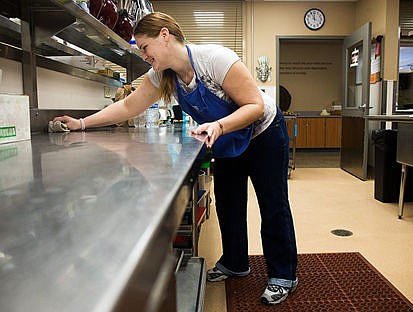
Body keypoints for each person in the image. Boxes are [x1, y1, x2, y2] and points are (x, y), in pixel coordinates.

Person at [54, 12, 298, 305]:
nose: (144, 55)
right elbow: (129, 106)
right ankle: (236, 262)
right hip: (227, 137)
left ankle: (284, 274)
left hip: (264, 133)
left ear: (165, 35)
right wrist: (81, 123)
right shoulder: (163, 75)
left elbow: (255, 106)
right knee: (229, 202)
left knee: (272, 204)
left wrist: (219, 126)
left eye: (145, 47)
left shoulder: (214, 59)